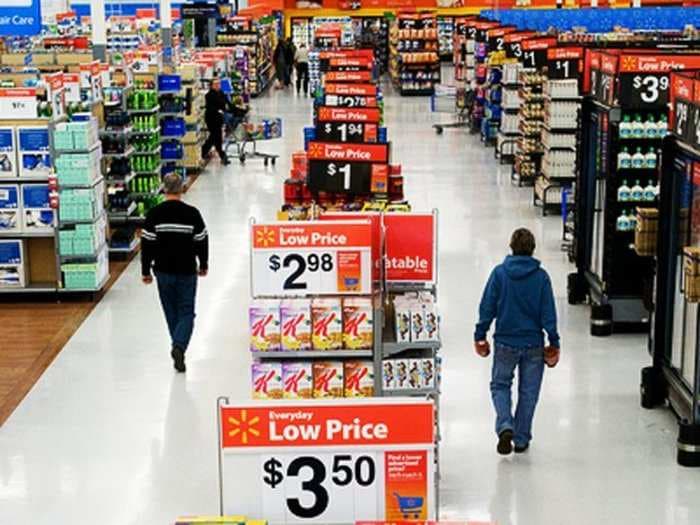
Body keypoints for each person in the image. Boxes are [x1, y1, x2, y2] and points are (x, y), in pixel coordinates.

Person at [474, 228, 561, 455]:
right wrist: (554, 342)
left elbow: (487, 307)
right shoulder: (541, 277)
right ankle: (521, 439)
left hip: (505, 343)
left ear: (511, 247)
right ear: (533, 249)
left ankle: (505, 425)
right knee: (529, 392)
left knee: (500, 385)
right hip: (533, 343)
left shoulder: (499, 274)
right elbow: (548, 314)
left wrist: (480, 335)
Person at [141, 174, 209, 373]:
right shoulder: (192, 213)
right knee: (187, 311)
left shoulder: (154, 214)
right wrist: (203, 263)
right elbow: (202, 240)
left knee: (170, 311)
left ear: (164, 188)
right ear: (182, 189)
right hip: (187, 270)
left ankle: (177, 346)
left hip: (163, 271)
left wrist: (145, 271)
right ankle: (179, 346)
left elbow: (147, 244)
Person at [201, 78, 230, 165]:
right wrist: (220, 108)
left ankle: (220, 155)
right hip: (211, 119)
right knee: (214, 137)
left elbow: (227, 103)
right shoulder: (209, 95)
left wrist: (238, 110)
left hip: (219, 119)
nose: (218, 86)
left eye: (219, 84)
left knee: (216, 138)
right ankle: (220, 155)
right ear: (211, 86)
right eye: (215, 84)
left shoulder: (221, 93)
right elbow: (214, 107)